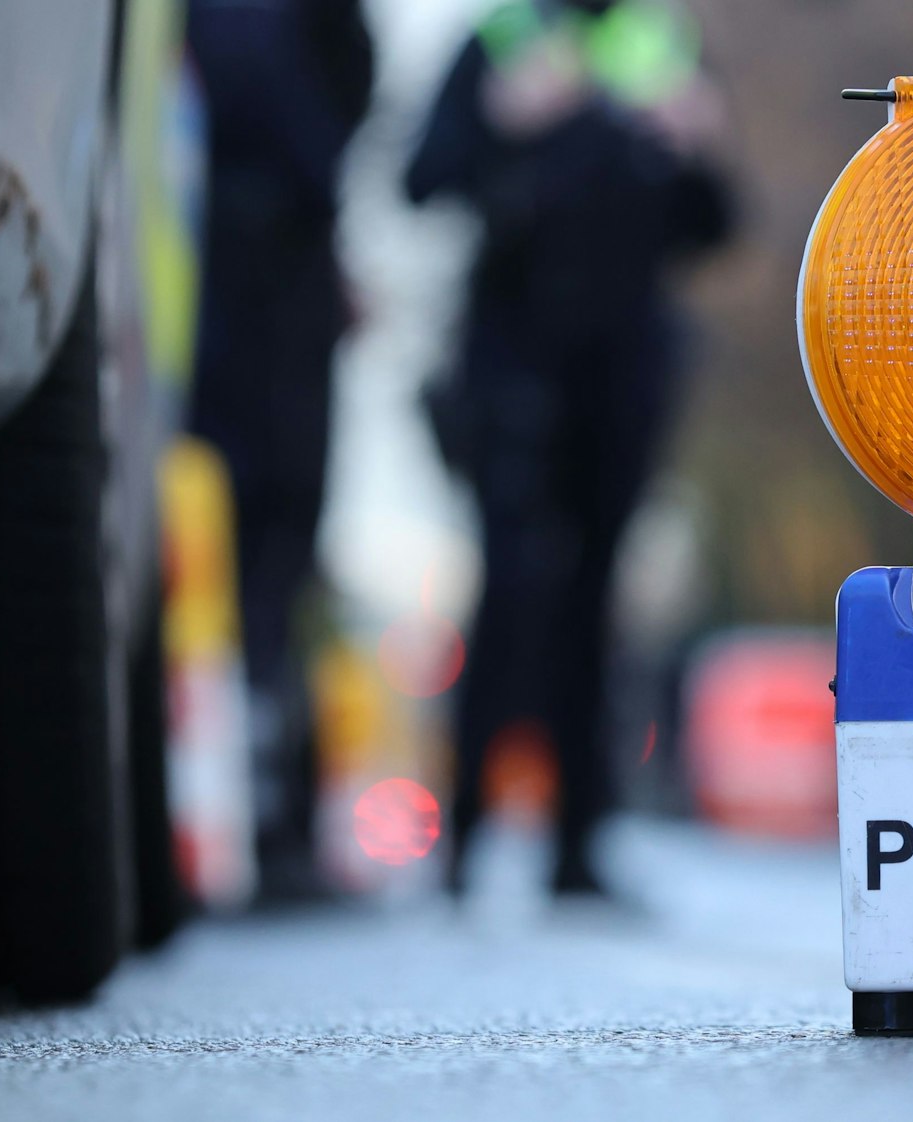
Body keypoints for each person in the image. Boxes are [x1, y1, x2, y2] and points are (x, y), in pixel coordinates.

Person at [404, 0, 731, 896]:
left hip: (623, 372)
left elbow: (712, 225)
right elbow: (422, 179)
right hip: (513, 364)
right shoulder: (500, 43)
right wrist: (504, 123)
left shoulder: (661, 50)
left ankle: (578, 845)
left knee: (594, 598)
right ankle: (464, 834)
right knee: (512, 592)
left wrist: (695, 145)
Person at [186, 0, 373, 900]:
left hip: (242, 286)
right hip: (255, 299)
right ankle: (262, 824)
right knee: (260, 567)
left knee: (256, 573)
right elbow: (314, 103)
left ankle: (261, 818)